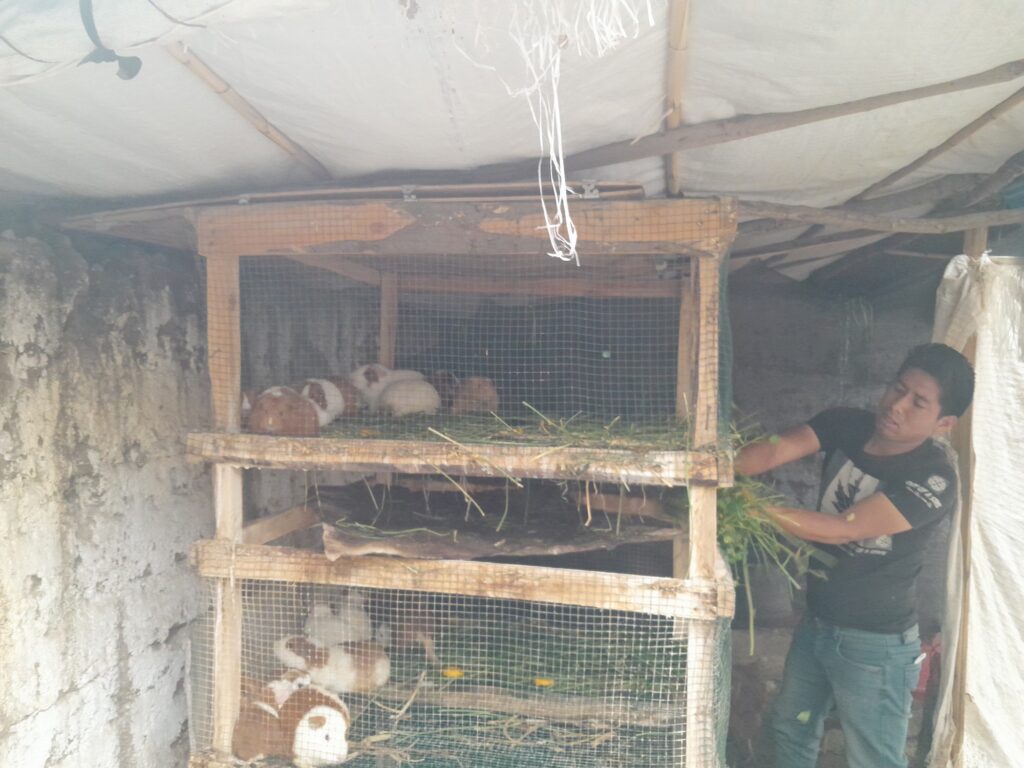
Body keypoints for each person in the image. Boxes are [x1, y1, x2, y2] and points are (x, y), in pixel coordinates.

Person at [735, 343, 974, 768]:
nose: (897, 405)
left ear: (944, 423)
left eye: (918, 402)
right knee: (791, 728)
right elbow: (774, 447)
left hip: (875, 645)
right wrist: (722, 469)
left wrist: (751, 506)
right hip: (817, 623)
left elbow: (844, 526)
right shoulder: (844, 423)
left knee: (873, 759)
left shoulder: (933, 479)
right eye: (898, 388)